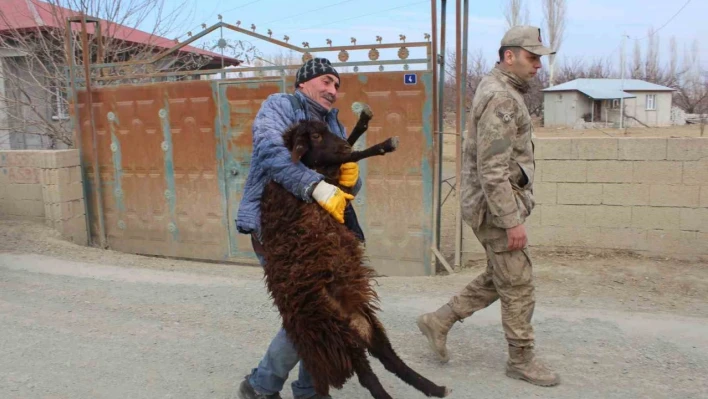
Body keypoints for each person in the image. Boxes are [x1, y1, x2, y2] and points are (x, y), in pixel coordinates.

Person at [416, 25, 560, 387]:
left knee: (503, 274)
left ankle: (439, 320)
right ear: (509, 56)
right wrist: (511, 221)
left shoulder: (500, 88)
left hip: (490, 205)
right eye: (532, 57)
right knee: (519, 283)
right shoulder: (502, 98)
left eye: (539, 58)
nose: (538, 65)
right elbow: (492, 169)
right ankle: (521, 359)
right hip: (494, 209)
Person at [234, 57, 363, 399]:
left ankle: (307, 388)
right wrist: (314, 186)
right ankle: (262, 385)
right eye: (326, 81)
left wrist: (353, 178)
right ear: (304, 82)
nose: (332, 90)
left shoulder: (332, 124)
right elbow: (269, 152)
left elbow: (340, 179)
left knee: (324, 306)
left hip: (319, 234)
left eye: (337, 85)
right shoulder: (280, 107)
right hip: (277, 231)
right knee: (310, 310)